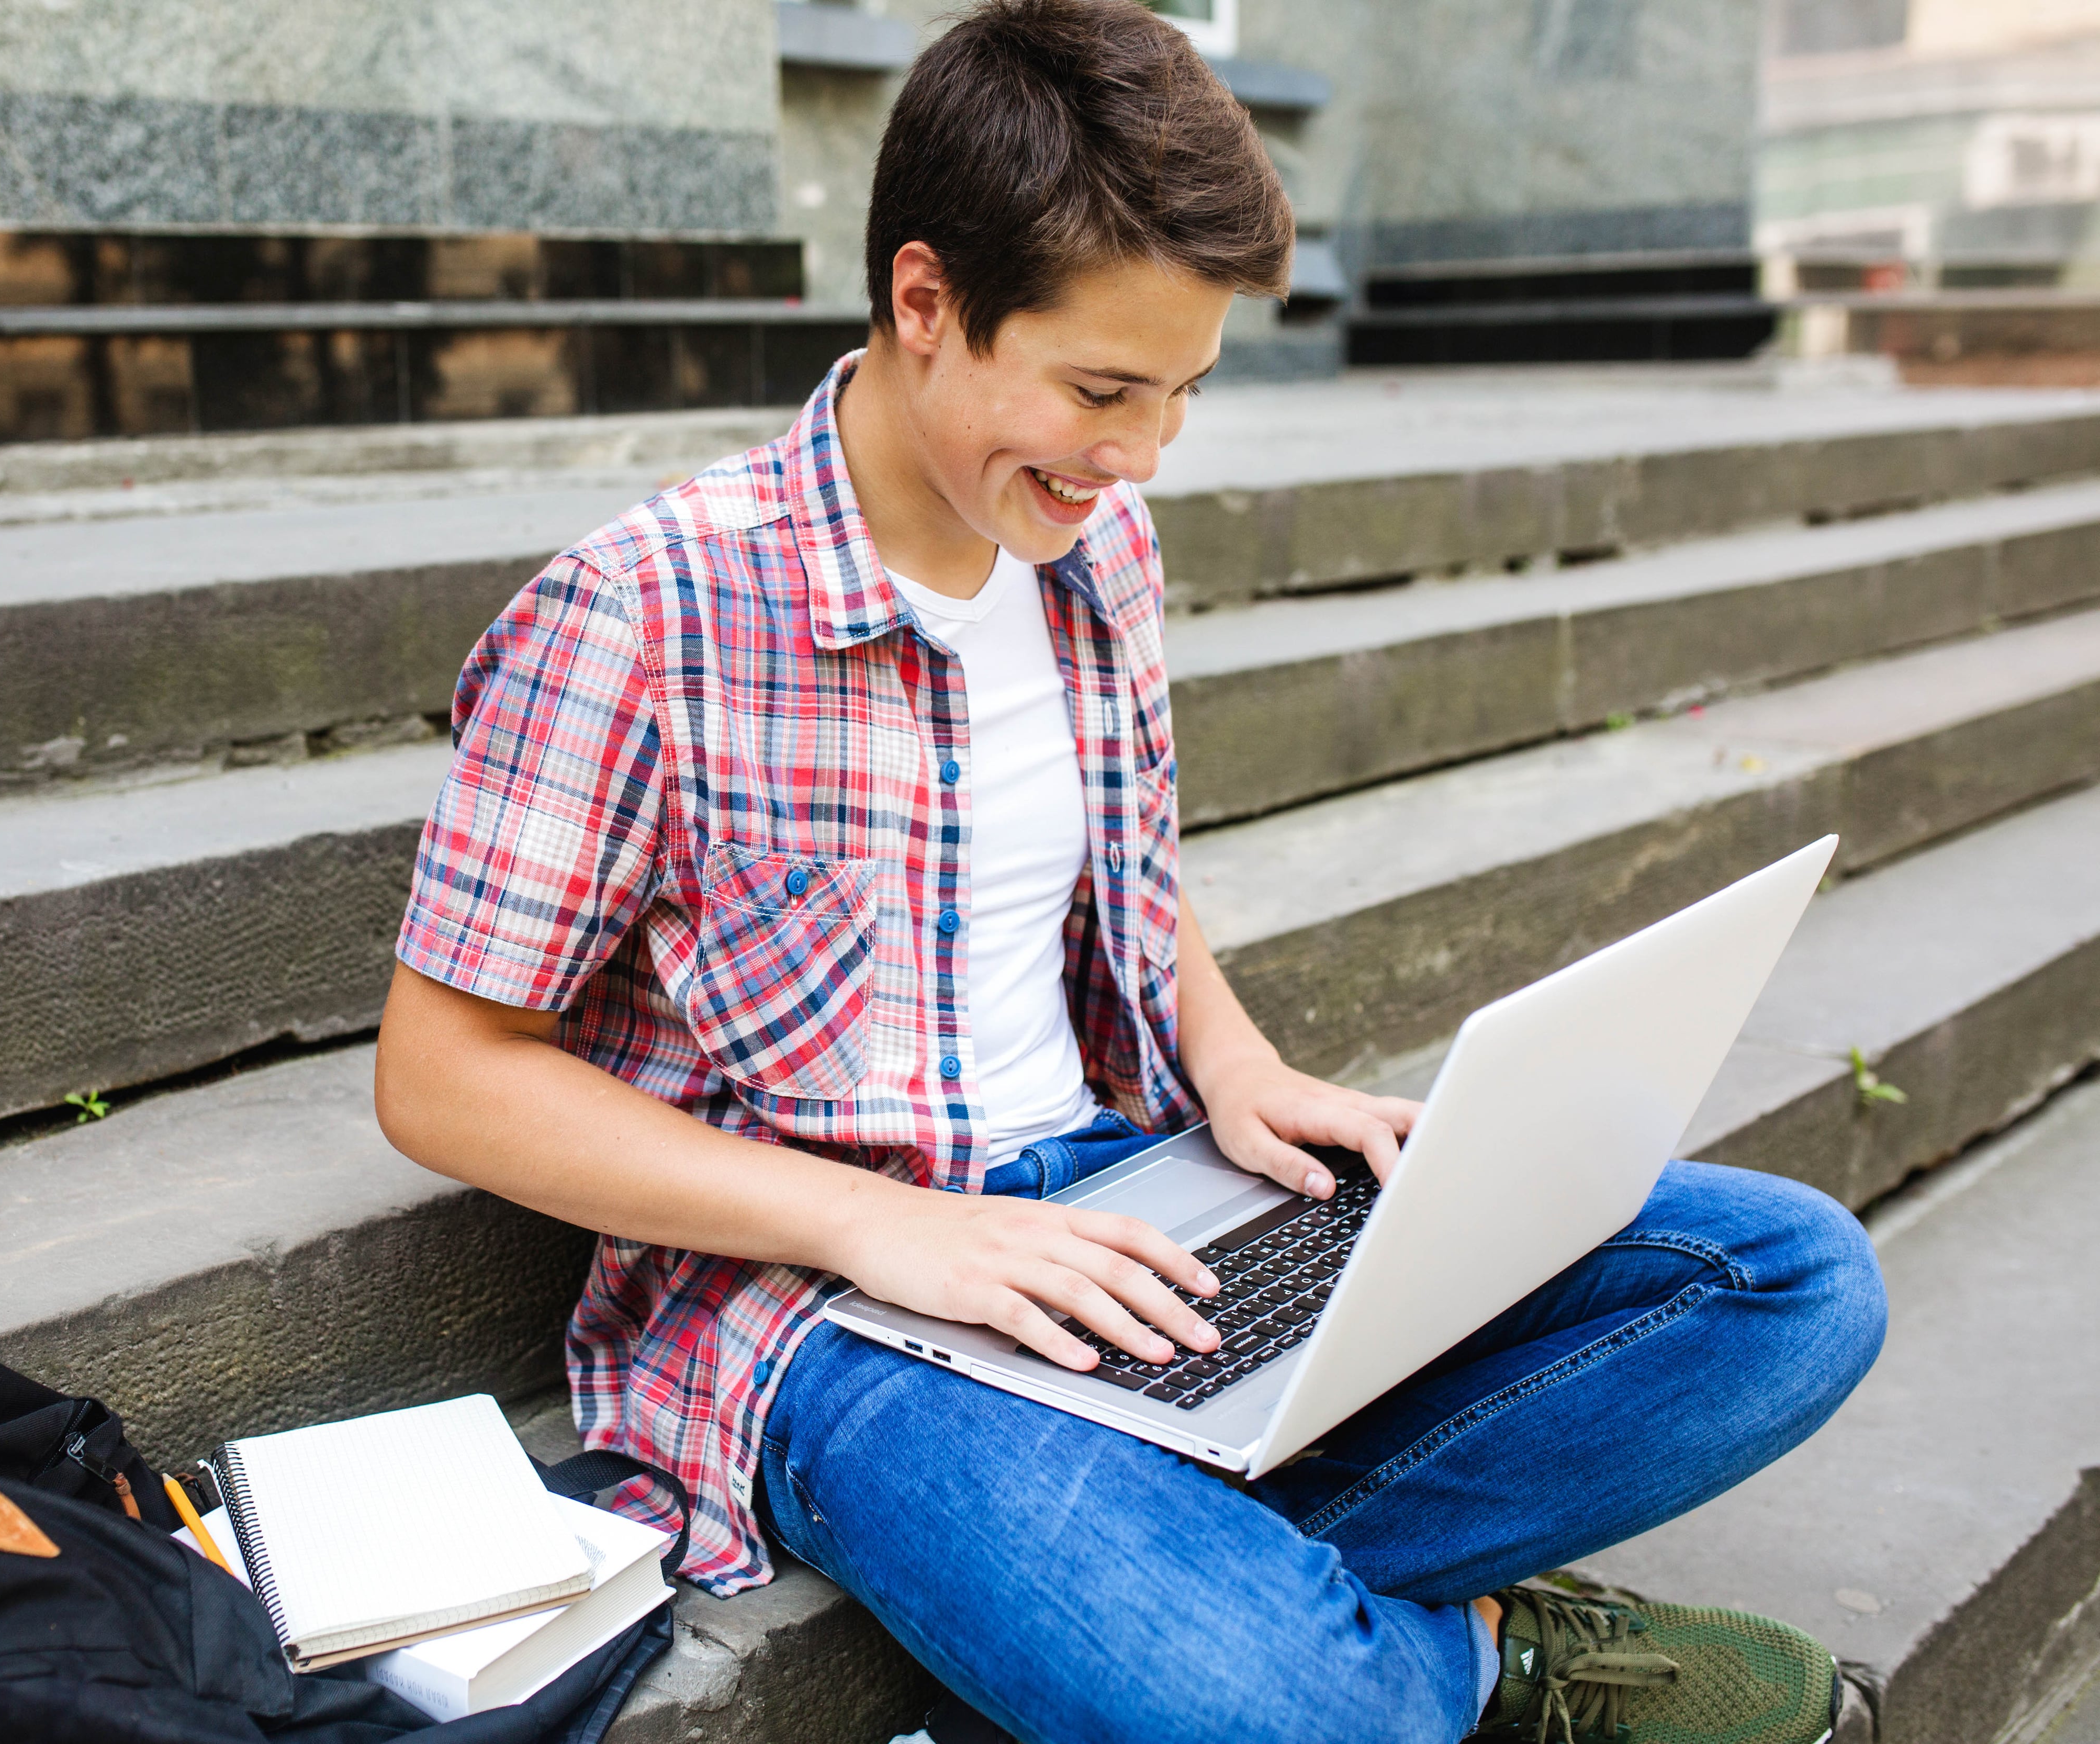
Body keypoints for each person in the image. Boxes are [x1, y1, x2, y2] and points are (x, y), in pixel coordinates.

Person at [375, 3, 1888, 1737]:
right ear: (927, 303)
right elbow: (443, 1077)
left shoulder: (1094, 550)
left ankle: (1228, 1598)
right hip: (830, 1314)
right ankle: (1481, 1661)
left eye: (1180, 394)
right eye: (1103, 390)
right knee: (1294, 1719)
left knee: (1786, 1280)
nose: (1142, 456)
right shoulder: (645, 615)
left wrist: (1240, 1074)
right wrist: (890, 1227)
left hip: (1135, 1200)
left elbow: (1127, 897)